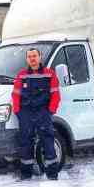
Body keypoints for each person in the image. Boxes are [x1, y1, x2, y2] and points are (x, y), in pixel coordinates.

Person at [11, 48, 61, 180]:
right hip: (25, 113)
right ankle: (26, 174)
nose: (32, 59)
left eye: (34, 56)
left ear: (40, 57)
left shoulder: (50, 74)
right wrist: (18, 111)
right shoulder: (21, 75)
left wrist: (50, 111)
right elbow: (15, 95)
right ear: (27, 59)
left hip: (43, 112)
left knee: (48, 141)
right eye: (29, 57)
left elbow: (55, 95)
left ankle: (52, 174)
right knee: (25, 143)